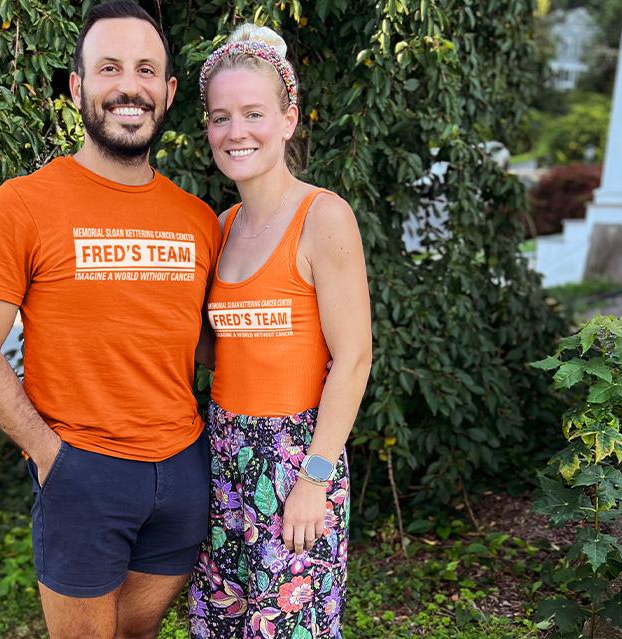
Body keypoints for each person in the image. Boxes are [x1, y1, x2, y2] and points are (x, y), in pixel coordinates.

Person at [0, 2, 222, 638]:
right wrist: (49, 455)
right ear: (77, 86)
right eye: (109, 68)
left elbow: (218, 347)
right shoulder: (21, 204)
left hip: (183, 470)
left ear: (168, 91)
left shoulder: (198, 219)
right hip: (82, 470)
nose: (129, 86)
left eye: (146, 70)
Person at [189, 23, 372, 639]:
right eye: (220, 116)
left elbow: (353, 359)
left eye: (253, 113)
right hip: (222, 453)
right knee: (221, 622)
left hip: (296, 456)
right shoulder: (218, 226)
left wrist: (315, 479)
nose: (235, 131)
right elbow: (212, 348)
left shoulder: (324, 217)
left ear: (289, 119)